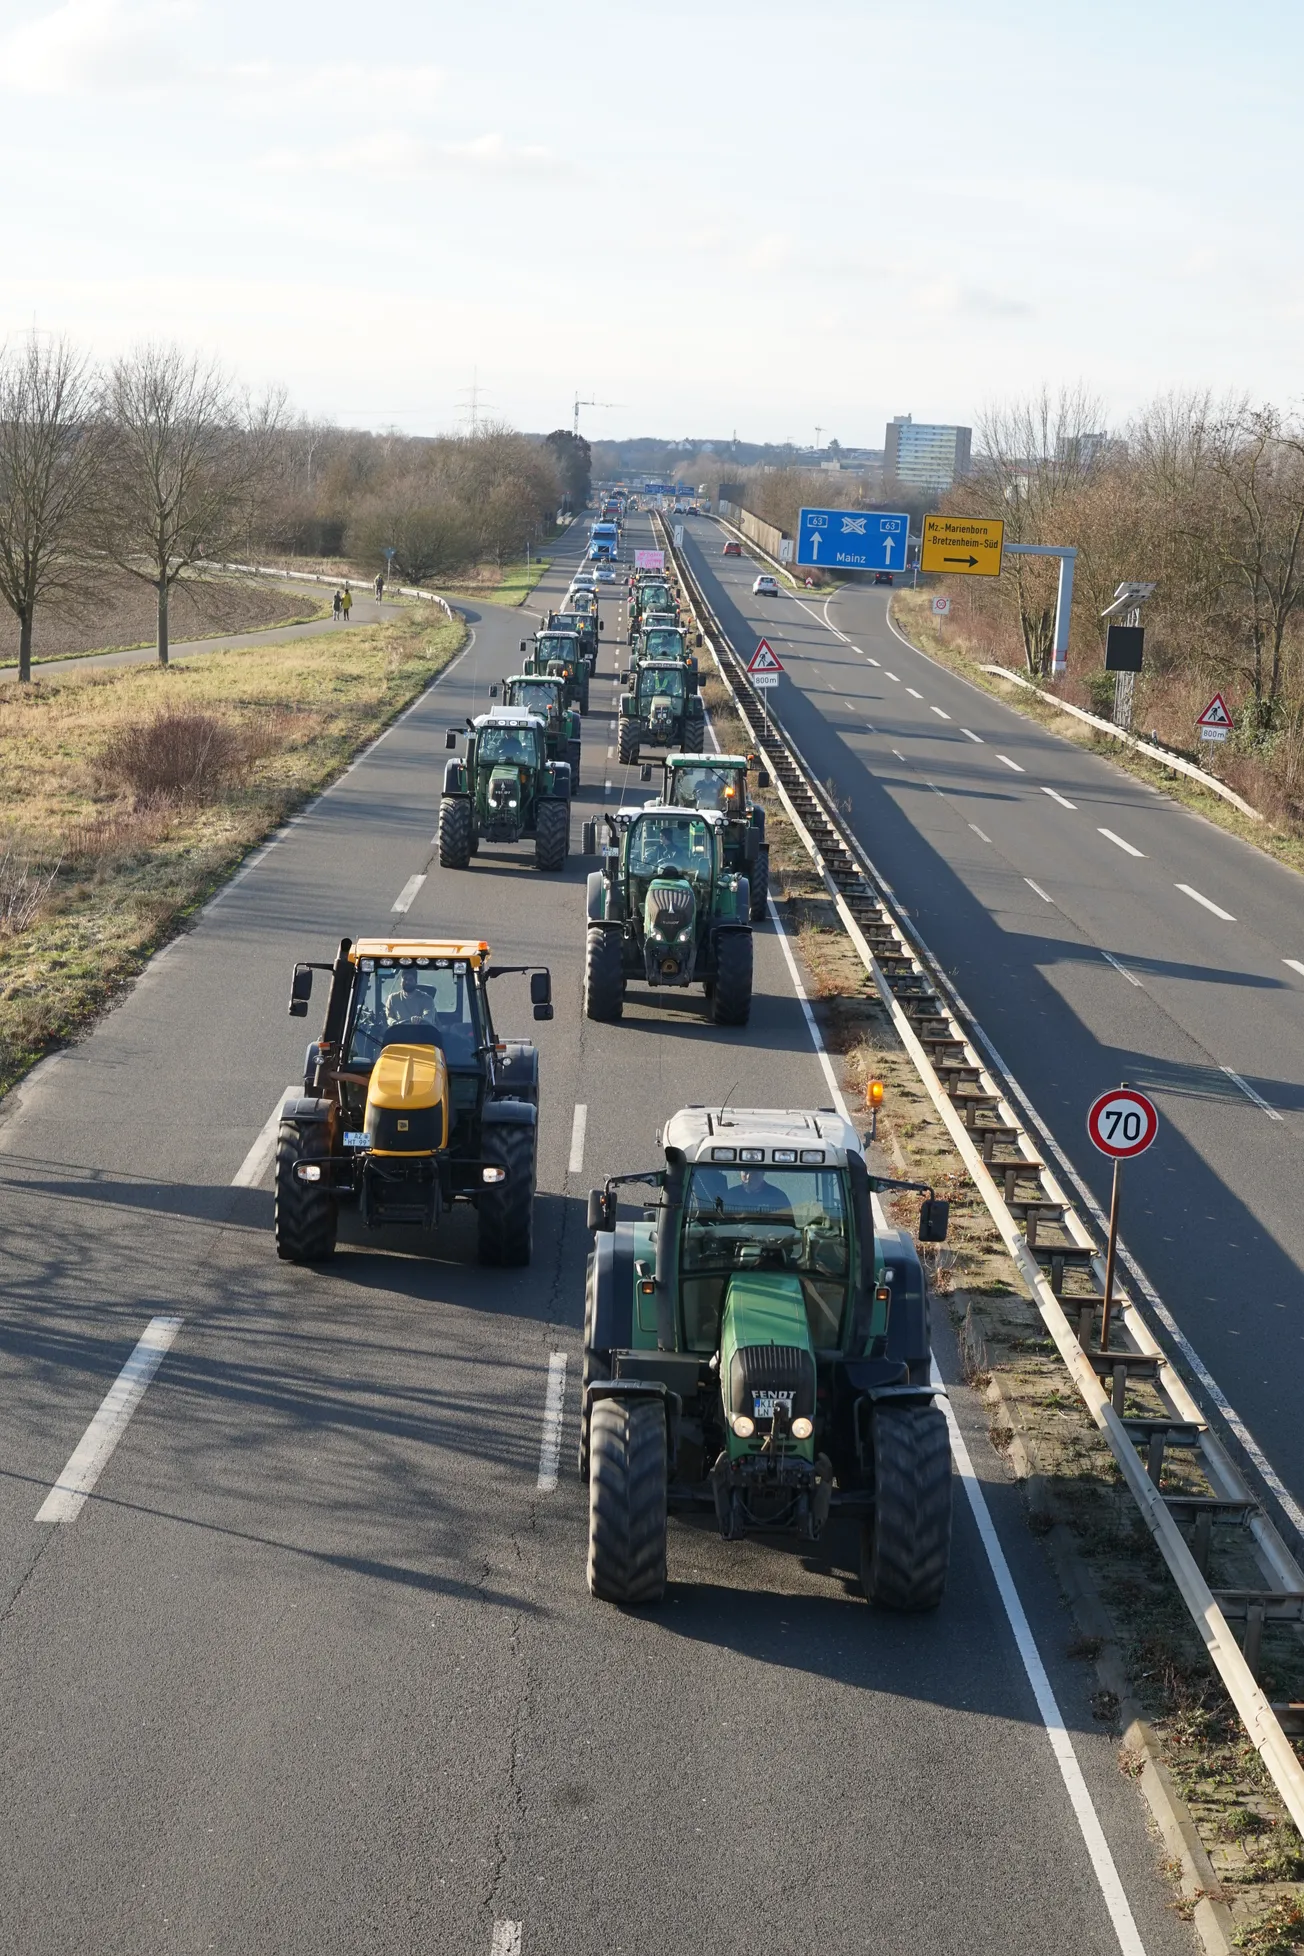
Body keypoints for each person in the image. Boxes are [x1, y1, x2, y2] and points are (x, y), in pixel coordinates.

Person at [728, 1166, 795, 1220]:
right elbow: (722, 1222)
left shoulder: (778, 1197)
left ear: (763, 1173)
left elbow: (788, 1226)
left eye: (754, 1173)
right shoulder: (731, 1195)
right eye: (745, 1172)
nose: (748, 1177)